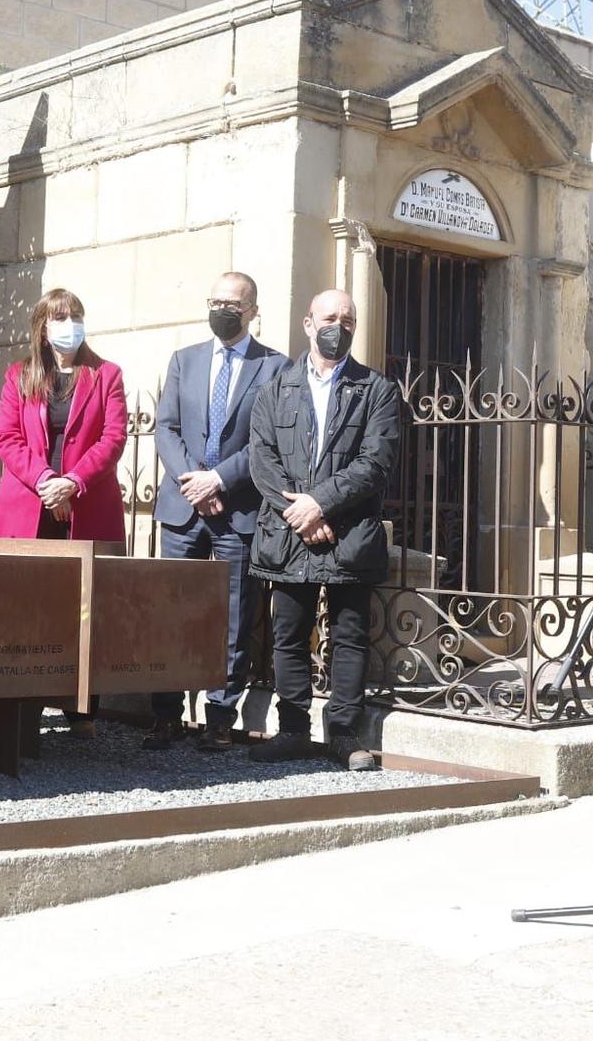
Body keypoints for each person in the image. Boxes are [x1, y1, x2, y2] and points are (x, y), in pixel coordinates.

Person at [245, 289, 402, 770]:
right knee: (288, 634)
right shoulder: (276, 388)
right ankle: (292, 728)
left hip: (348, 532)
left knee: (349, 635)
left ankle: (343, 732)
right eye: (331, 317)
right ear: (308, 324)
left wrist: (321, 505)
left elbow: (376, 463)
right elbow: (261, 458)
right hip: (289, 532)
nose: (341, 326)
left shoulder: (377, 390)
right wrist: (300, 512)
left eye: (349, 319)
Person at [145, 271, 285, 750]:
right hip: (184, 508)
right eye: (216, 300)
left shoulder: (274, 367)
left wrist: (218, 479)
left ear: (252, 311)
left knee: (233, 616)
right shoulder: (185, 360)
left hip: (237, 508)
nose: (222, 309)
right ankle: (164, 713)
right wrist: (194, 483)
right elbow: (166, 428)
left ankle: (220, 716)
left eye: (232, 302)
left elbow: (267, 442)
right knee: (171, 612)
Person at [0, 288, 127, 738]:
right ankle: (18, 699)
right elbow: (6, 438)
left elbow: (113, 438)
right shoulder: (18, 376)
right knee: (22, 603)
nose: (70, 324)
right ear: (43, 329)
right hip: (29, 504)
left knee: (85, 607)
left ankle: (82, 708)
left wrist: (74, 482)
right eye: (61, 317)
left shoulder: (107, 375)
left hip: (88, 505)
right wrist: (48, 481)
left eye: (76, 316)